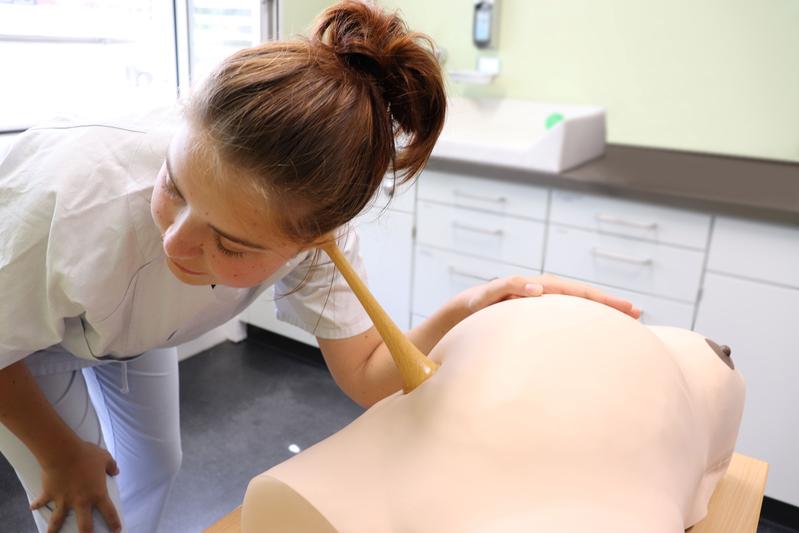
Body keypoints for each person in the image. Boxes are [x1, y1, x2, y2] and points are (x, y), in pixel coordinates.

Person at [0, 1, 639, 532]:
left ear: (315, 242)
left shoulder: (321, 245)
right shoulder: (72, 200)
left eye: (232, 244)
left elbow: (368, 374)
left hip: (124, 325)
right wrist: (58, 451)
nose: (178, 243)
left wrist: (471, 308)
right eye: (174, 186)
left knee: (156, 462)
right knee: (76, 490)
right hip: (27, 333)